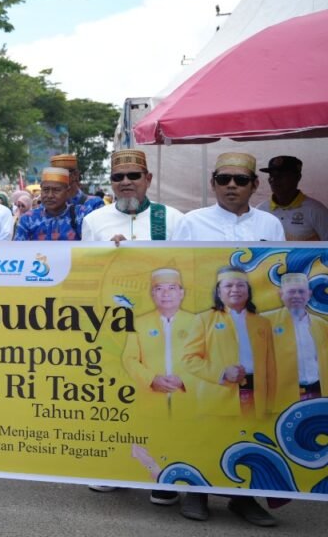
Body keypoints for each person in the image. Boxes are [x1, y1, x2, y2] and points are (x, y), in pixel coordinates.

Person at [178, 266, 277, 526]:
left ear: (249, 290)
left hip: (254, 397)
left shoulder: (262, 323)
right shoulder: (204, 320)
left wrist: (271, 402)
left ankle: (243, 499)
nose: (234, 290)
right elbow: (188, 360)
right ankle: (197, 494)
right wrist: (222, 372)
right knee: (209, 445)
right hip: (218, 396)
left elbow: (271, 366)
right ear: (219, 292)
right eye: (228, 286)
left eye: (240, 285)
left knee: (250, 447)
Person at [117, 268, 206, 504]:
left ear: (182, 293)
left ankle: (186, 487)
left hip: (188, 399)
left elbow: (208, 358)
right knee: (144, 442)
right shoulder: (139, 322)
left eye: (171, 288)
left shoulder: (198, 322)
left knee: (189, 441)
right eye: (159, 289)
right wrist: (152, 379)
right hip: (150, 398)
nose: (165, 294)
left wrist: (184, 379)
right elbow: (129, 359)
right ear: (152, 294)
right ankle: (159, 479)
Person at [174, 153, 285, 242]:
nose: (231, 185)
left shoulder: (270, 223)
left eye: (241, 179)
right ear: (213, 184)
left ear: (255, 185)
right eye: (223, 179)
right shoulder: (191, 221)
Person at [81, 149, 183, 243]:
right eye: (118, 177)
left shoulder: (174, 219)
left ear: (148, 179)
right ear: (111, 181)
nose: (125, 182)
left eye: (133, 176)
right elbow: (87, 262)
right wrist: (107, 252)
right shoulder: (93, 222)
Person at [263, 273, 327, 410]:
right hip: (282, 394)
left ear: (309, 294)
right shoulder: (264, 322)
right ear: (281, 294)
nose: (297, 296)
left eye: (301, 291)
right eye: (291, 291)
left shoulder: (321, 325)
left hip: (318, 391)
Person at [257, 156, 328, 241]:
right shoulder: (261, 210)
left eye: (281, 175)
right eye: (272, 175)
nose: (274, 179)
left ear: (298, 177)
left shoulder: (316, 210)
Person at [14, 168, 83, 241]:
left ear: (67, 192)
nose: (50, 195)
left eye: (56, 190)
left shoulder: (80, 215)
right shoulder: (28, 219)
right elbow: (19, 250)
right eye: (46, 190)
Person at [49, 153, 104, 217]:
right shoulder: (49, 205)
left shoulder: (94, 204)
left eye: (61, 174)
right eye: (53, 175)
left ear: (75, 174)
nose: (57, 179)